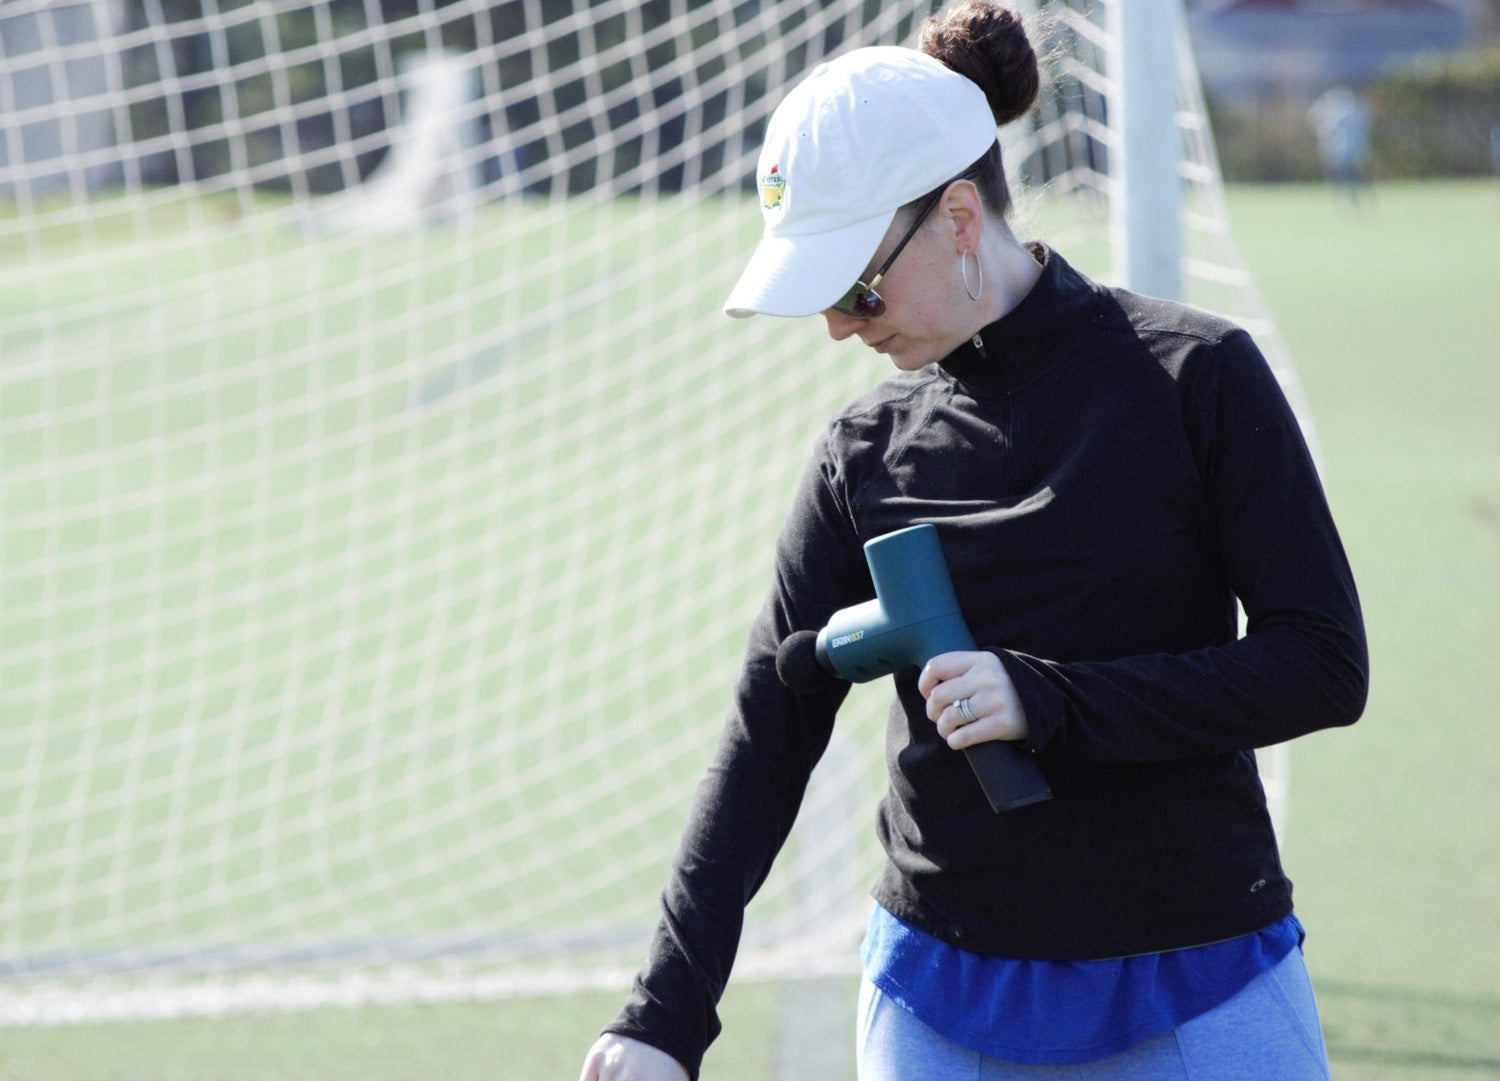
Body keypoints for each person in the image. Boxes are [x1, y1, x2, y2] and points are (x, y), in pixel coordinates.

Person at [581, 4, 1367, 1079]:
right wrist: (660, 1018)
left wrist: (1049, 700)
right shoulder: (861, 452)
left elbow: (1321, 665)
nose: (839, 328)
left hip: (1203, 972)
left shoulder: (1198, 376)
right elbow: (769, 731)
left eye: (856, 286)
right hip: (936, 1000)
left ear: (959, 216)